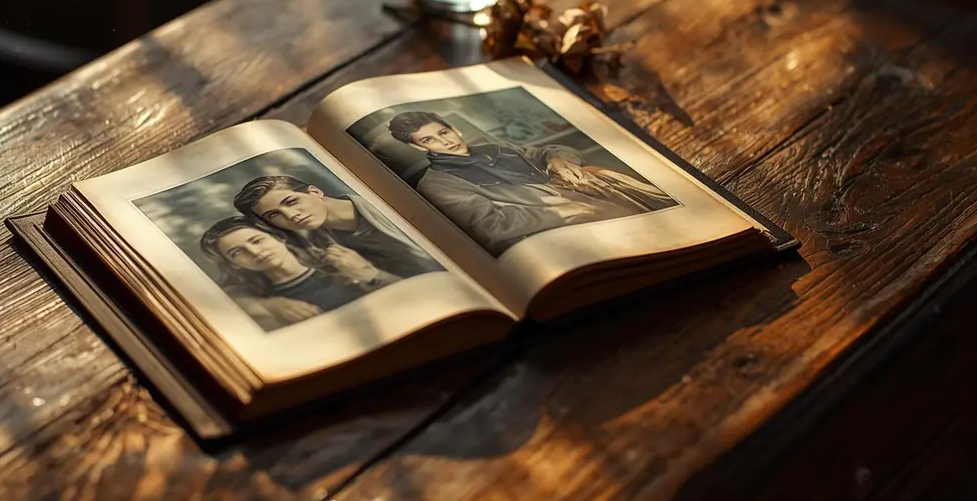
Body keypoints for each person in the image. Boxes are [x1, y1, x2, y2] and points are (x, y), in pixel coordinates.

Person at [386, 111, 675, 255]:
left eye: (443, 132)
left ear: (455, 128)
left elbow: (544, 152)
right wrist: (561, 212)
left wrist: (558, 160)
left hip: (588, 193)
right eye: (428, 140)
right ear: (419, 149)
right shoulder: (437, 185)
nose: (444, 142)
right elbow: (490, 226)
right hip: (561, 226)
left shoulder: (494, 147)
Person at [199, 217, 397, 331]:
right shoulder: (260, 302)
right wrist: (267, 306)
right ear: (233, 264)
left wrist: (370, 273)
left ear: (279, 237)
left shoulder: (343, 261)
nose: (255, 252)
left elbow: (413, 293)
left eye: (257, 240)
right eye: (237, 252)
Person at [233, 175, 444, 279]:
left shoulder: (386, 201)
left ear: (315, 192)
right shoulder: (321, 249)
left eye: (291, 202)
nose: (291, 216)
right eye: (273, 215)